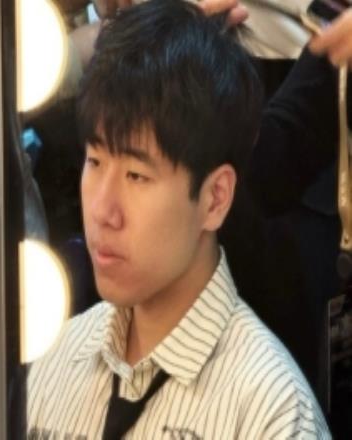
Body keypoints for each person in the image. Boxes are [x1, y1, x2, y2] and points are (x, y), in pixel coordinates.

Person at [26, 1, 330, 438]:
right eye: (94, 162)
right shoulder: (52, 362)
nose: (102, 212)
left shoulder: (272, 414)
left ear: (215, 198)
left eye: (136, 175)